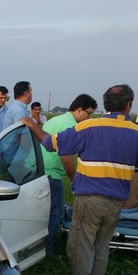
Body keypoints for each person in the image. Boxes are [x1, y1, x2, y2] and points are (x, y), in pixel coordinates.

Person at [21, 84, 138, 275]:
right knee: (101, 248)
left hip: (89, 201)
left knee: (81, 247)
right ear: (129, 105)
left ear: (105, 104)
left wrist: (32, 125)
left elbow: (50, 143)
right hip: (115, 204)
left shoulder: (88, 127)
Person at [42, 94, 98, 254]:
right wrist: (75, 181)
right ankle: (48, 249)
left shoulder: (57, 120)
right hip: (50, 174)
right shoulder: (69, 125)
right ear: (79, 110)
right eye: (89, 112)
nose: (90, 117)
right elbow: (66, 158)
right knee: (57, 212)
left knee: (47, 210)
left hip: (41, 170)